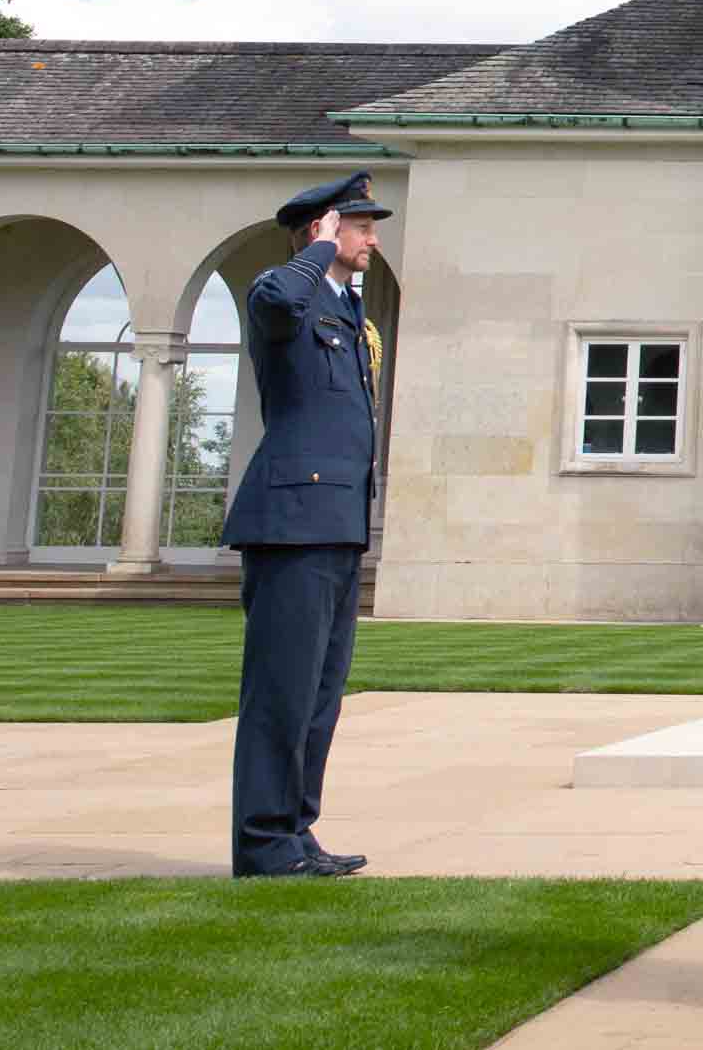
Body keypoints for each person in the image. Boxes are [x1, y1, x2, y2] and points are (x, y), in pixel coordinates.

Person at [224, 171, 392, 878]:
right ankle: (263, 843)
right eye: (359, 225)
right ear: (324, 229)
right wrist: (317, 251)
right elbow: (278, 301)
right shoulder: (283, 291)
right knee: (281, 693)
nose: (373, 238)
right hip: (291, 521)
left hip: (335, 523)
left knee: (320, 695)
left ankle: (295, 832)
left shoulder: (348, 314)